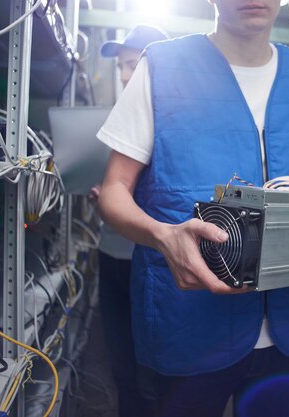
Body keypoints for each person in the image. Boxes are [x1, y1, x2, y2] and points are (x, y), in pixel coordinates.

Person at [97, 2, 289, 416]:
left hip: (286, 326)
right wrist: (165, 237)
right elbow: (114, 190)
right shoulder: (162, 66)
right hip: (188, 323)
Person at [95, 24, 168, 417]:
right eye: (121, 66)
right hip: (112, 254)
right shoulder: (117, 121)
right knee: (122, 366)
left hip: (154, 262)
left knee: (153, 373)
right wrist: (107, 196)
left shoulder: (179, 120)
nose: (125, 76)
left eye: (132, 64)